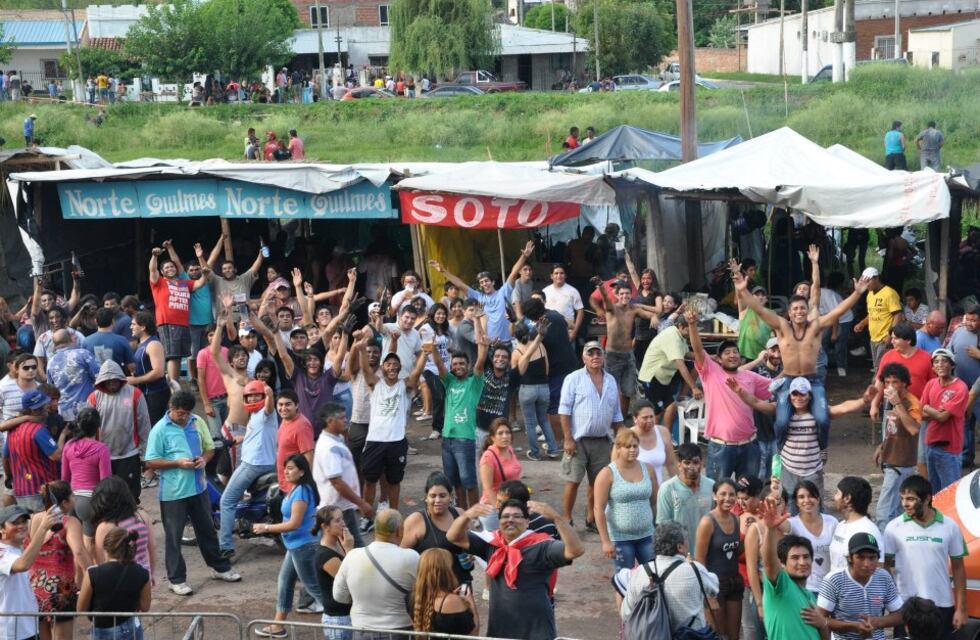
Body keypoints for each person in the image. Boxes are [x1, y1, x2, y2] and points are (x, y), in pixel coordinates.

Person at [732, 253, 869, 458]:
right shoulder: (781, 326)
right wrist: (743, 290)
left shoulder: (815, 327)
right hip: (788, 380)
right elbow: (759, 310)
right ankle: (781, 453)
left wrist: (857, 293)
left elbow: (838, 311)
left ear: (808, 310)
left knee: (822, 419)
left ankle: (821, 449)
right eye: (795, 309)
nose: (799, 312)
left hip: (812, 380)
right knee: (781, 422)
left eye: (802, 308)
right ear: (789, 312)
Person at [143, 391, 240, 595]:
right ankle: (176, 579)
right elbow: (151, 461)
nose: (184, 417)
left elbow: (209, 448)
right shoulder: (160, 429)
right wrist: (177, 463)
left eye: (187, 413)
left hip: (199, 487)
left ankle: (219, 567)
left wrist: (204, 459)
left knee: (207, 530)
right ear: (171, 408)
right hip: (173, 493)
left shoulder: (197, 421)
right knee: (174, 537)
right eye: (180, 413)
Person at [447, 498, 585, 640]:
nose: (510, 520)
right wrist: (466, 515)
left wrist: (557, 518)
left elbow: (576, 550)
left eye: (517, 516)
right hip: (500, 632)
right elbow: (453, 536)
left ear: (527, 522)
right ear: (499, 522)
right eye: (505, 516)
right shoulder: (492, 545)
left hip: (536, 633)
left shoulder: (542, 546)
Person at [727, 375, 870, 503]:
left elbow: (843, 408)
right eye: (794, 394)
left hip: (813, 469)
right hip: (788, 468)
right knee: (789, 506)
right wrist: (740, 391)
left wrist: (864, 400)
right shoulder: (781, 412)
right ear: (789, 396)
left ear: (810, 396)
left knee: (814, 505)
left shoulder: (819, 413)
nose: (798, 398)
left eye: (802, 394)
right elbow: (757, 403)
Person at [687, 305, 772, 481]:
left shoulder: (750, 376)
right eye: (727, 353)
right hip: (721, 447)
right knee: (718, 491)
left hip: (749, 445)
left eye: (735, 352)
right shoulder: (712, 373)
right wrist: (692, 325)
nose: (732, 355)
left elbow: (775, 386)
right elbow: (698, 351)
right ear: (718, 359)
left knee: (748, 493)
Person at [883, 475, 967, 639]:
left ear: (927, 499)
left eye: (911, 499)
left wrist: (961, 608)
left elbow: (958, 568)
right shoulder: (893, 527)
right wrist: (890, 603)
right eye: (902, 498)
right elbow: (884, 568)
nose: (904, 504)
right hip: (906, 607)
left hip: (942, 605)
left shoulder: (950, 526)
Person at [252, 454, 324, 639]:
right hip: (295, 545)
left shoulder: (302, 492)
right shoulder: (297, 488)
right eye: (285, 468)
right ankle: (278, 626)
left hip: (303, 546)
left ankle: (345, 620)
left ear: (302, 471)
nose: (286, 471)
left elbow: (294, 524)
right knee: (285, 582)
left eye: (291, 468)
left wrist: (266, 528)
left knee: (314, 588)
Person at [358, 332, 428, 513]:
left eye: (395, 364)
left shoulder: (405, 385)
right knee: (370, 480)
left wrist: (425, 353)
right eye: (388, 364)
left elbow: (417, 372)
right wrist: (361, 350)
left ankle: (394, 515)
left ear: (399, 367)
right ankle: (366, 517)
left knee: (394, 481)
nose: (392, 367)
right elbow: (365, 370)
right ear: (383, 367)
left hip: (396, 441)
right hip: (375, 440)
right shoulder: (375, 383)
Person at [559, 340, 624, 529]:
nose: (595, 357)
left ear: (604, 357)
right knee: (572, 481)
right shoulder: (573, 378)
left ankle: (591, 518)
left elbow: (617, 414)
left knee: (598, 483)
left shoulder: (611, 380)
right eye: (591, 353)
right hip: (578, 440)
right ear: (584, 358)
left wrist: (622, 439)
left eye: (598, 353)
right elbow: (564, 410)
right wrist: (568, 438)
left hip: (603, 441)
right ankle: (567, 519)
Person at [616, 519, 720, 631]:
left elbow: (626, 614)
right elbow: (714, 587)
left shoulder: (640, 573)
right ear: (680, 547)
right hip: (691, 634)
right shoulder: (694, 570)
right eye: (686, 539)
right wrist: (692, 564)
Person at [332, 509, 420, 637]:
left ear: (375, 530)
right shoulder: (411, 557)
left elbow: (339, 596)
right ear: (398, 531)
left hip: (362, 630)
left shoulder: (352, 556)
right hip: (399, 630)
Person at [218, 381, 278, 558]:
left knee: (227, 501)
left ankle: (225, 546)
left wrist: (270, 395)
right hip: (264, 462)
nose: (252, 399)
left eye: (256, 395)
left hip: (253, 464)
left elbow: (269, 408)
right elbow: (261, 432)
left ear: (263, 397)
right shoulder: (256, 415)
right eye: (249, 396)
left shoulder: (266, 412)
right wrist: (243, 437)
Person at [430, 240, 534, 343]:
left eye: (486, 281)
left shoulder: (503, 292)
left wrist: (524, 256)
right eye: (482, 282)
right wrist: (443, 271)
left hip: (508, 342)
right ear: (480, 285)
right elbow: (460, 284)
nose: (484, 283)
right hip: (489, 344)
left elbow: (513, 274)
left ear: (493, 282)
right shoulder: (478, 297)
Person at [26, 480, 92, 640]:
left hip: (34, 589)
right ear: (64, 503)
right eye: (72, 495)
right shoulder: (70, 522)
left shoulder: (32, 519)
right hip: (61, 590)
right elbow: (79, 552)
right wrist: (93, 574)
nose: (74, 498)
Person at [432, 322, 488, 510]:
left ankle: (475, 515)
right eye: (455, 364)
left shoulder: (474, 383)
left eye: (462, 364)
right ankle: (463, 514)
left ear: (468, 365)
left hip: (465, 439)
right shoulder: (449, 381)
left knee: (469, 481)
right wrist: (433, 348)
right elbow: (439, 365)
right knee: (454, 482)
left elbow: (480, 363)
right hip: (447, 439)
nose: (458, 367)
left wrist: (483, 346)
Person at [757, 498, 830, 640]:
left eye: (806, 557)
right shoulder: (781, 587)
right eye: (795, 558)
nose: (802, 562)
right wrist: (770, 530)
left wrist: (823, 625)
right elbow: (769, 563)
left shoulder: (810, 596)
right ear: (782, 563)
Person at [592, 274, 662, 414]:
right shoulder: (611, 308)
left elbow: (649, 314)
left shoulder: (633, 309)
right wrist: (600, 285)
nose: (625, 296)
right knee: (611, 390)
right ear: (617, 295)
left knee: (628, 392)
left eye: (627, 293)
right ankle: (611, 419)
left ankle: (622, 420)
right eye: (622, 294)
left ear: (631, 295)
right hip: (612, 355)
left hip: (628, 355)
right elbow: (605, 298)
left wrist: (654, 316)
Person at [818, 531, 903, 640]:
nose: (867, 564)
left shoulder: (883, 577)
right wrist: (853, 626)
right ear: (850, 557)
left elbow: (900, 614)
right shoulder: (834, 580)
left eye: (872, 558)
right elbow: (819, 619)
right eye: (861, 557)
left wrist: (878, 622)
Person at [86, 360, 151, 501]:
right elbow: (88, 430)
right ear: (102, 381)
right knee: (107, 496)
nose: (111, 384)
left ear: (120, 378)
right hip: (104, 456)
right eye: (108, 382)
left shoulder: (135, 394)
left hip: (129, 453)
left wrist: (145, 455)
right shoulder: (94, 398)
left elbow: (144, 426)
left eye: (114, 381)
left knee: (130, 495)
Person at [594, 429, 657, 572]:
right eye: (628, 446)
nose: (633, 450)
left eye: (635, 446)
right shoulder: (607, 473)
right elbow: (598, 509)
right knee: (624, 579)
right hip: (620, 538)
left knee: (654, 575)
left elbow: (655, 502)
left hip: (647, 535)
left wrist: (657, 527)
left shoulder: (648, 469)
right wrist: (605, 541)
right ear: (618, 448)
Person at [520, 297, 578, 451]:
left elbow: (529, 344)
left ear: (531, 317)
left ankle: (558, 441)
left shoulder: (539, 328)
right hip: (572, 365)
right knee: (571, 404)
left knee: (554, 408)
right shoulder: (556, 315)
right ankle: (570, 436)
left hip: (557, 370)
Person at [872, 362, 924, 530]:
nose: (890, 386)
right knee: (896, 511)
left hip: (900, 464)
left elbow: (913, 429)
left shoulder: (911, 402)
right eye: (887, 382)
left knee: (884, 512)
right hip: (890, 460)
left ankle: (883, 543)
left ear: (904, 383)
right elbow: (892, 428)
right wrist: (882, 446)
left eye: (894, 382)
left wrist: (898, 404)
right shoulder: (889, 401)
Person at [312, 402, 372, 549]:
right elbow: (336, 482)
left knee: (351, 547)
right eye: (341, 418)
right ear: (330, 421)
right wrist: (361, 503)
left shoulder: (335, 440)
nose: (345, 420)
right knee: (352, 548)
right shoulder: (329, 447)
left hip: (341, 506)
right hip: (338, 509)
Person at [148, 243, 209, 385]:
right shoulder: (159, 282)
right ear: (162, 271)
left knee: (180, 355)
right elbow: (152, 269)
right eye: (166, 267)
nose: (170, 268)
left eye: (172, 266)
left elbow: (199, 283)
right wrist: (154, 256)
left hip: (183, 324)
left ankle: (174, 385)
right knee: (173, 356)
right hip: (168, 323)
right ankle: (173, 387)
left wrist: (205, 274)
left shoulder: (184, 283)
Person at [76, 526, 151, 640]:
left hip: (103, 630)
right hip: (131, 626)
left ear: (106, 549)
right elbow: (145, 607)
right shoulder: (142, 573)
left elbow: (81, 609)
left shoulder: (93, 573)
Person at [401, 471, 474, 589]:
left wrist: (471, 554)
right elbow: (402, 557)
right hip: (430, 587)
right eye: (433, 496)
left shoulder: (460, 514)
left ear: (450, 496)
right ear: (426, 497)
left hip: (461, 584)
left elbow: (473, 544)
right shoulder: (416, 520)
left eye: (442, 496)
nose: (438, 500)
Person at [0, 505, 58, 640]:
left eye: (24, 521)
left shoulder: (15, 550)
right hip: (11, 632)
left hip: (27, 628)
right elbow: (22, 565)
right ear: (1, 529)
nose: (21, 526)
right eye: (15, 523)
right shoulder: (2, 552)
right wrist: (42, 528)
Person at [694, 478, 742, 640]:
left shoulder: (736, 519)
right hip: (714, 585)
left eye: (732, 494)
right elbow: (699, 561)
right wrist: (708, 593)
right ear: (714, 496)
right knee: (717, 635)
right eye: (723, 494)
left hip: (734, 582)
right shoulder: (707, 522)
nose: (727, 498)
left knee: (734, 636)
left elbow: (736, 551)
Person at [4, 389, 63, 512]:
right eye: (44, 406)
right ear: (34, 411)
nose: (47, 408)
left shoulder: (12, 430)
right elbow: (56, 455)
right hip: (41, 490)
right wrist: (63, 434)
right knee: (48, 523)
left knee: (31, 524)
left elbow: (5, 458)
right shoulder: (39, 430)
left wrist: (9, 477)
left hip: (20, 490)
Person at [920, 348, 970, 491]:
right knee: (934, 492)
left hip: (949, 448)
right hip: (931, 443)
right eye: (936, 362)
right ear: (933, 367)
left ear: (952, 365)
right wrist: (935, 411)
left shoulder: (960, 388)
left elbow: (942, 417)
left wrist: (928, 408)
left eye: (944, 361)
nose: (940, 364)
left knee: (949, 493)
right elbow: (920, 412)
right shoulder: (931, 384)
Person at [60, 407, 111, 544]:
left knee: (75, 543)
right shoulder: (101, 449)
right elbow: (105, 482)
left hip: (71, 499)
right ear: (98, 426)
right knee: (90, 542)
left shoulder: (69, 445)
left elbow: (64, 478)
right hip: (90, 501)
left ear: (79, 424)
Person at [512, 320, 560, 460]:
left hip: (527, 389)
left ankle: (535, 452)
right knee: (544, 420)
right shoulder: (540, 346)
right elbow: (546, 368)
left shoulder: (516, 352)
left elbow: (516, 374)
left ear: (515, 336)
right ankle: (553, 449)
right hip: (543, 388)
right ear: (528, 333)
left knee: (530, 422)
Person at [90, 476, 155, 576]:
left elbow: (101, 560)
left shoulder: (105, 526)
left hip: (117, 579)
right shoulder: (142, 516)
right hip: (143, 575)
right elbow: (152, 547)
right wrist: (151, 574)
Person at [656, 442, 714, 551]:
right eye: (687, 463)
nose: (691, 467)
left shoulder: (711, 486)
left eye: (695, 462)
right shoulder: (667, 489)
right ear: (679, 464)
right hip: (679, 552)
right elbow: (663, 527)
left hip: (707, 551)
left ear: (702, 463)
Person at [871, 323, 935, 421]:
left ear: (908, 340)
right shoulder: (888, 357)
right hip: (892, 410)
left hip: (919, 411)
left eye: (896, 338)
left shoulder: (926, 358)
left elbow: (934, 385)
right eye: (892, 338)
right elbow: (879, 382)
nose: (892, 341)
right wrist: (874, 405)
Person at [412, 548, 479, 637]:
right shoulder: (451, 601)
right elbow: (473, 634)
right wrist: (471, 604)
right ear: (446, 571)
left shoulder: (415, 596)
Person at [789, 480, 838, 595]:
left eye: (811, 496)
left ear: (818, 499)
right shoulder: (792, 523)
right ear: (796, 502)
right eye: (801, 497)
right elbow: (776, 524)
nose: (806, 500)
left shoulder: (832, 522)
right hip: (805, 588)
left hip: (830, 587)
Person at [313, 506, 355, 640]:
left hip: (347, 615)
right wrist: (349, 550)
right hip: (339, 619)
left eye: (342, 519)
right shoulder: (325, 556)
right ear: (325, 527)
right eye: (337, 520)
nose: (343, 523)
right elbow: (351, 581)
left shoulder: (340, 543)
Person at [854, 267, 904, 373]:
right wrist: (862, 323)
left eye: (868, 281)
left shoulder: (889, 293)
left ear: (876, 278)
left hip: (884, 338)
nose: (866, 284)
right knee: (877, 367)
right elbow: (872, 313)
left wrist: (891, 335)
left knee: (883, 368)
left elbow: (897, 315)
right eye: (864, 281)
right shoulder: (869, 294)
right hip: (873, 337)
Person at [478, 418, 523, 532]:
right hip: (493, 511)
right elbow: (487, 488)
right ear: (492, 437)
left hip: (511, 505)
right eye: (500, 433)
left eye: (507, 432)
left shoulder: (509, 449)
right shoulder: (488, 457)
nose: (505, 436)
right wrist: (501, 511)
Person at [46, 329, 101, 423]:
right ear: (70, 339)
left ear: (54, 344)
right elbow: (99, 377)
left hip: (65, 413)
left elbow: (51, 389)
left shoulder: (50, 363)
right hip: (88, 411)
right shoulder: (83, 354)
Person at [828, 476, 882, 572]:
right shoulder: (840, 525)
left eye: (837, 493)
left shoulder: (868, 530)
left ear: (847, 498)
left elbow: (877, 569)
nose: (834, 497)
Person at [948, 305, 979, 468]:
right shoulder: (958, 332)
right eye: (968, 319)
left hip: (978, 390)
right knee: (965, 422)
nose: (969, 323)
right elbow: (948, 351)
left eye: (974, 320)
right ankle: (966, 457)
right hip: (962, 388)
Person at [127, 310, 170, 428]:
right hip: (146, 393)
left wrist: (135, 380)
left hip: (155, 394)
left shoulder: (153, 344)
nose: (131, 327)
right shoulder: (142, 344)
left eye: (134, 324)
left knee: (156, 427)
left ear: (143, 327)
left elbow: (158, 372)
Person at [630, 399, 678, 485]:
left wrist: (679, 485)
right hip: (636, 490)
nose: (649, 420)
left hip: (659, 489)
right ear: (635, 419)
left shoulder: (663, 432)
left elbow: (671, 464)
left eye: (651, 416)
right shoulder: (626, 437)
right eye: (645, 417)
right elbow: (617, 470)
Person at [543, 264, 584, 343]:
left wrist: (575, 331)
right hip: (549, 331)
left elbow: (580, 312)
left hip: (568, 331)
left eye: (561, 273)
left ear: (565, 275)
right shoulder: (545, 291)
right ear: (551, 276)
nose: (559, 276)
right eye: (556, 273)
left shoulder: (573, 291)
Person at [737, 284, 774, 361]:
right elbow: (740, 297)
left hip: (763, 357)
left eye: (763, 295)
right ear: (751, 298)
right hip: (744, 356)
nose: (760, 297)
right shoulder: (745, 310)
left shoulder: (771, 314)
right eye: (757, 295)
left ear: (766, 299)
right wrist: (738, 282)